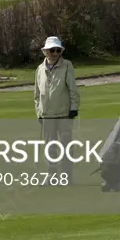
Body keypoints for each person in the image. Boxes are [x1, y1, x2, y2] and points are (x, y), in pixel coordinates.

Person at [34, 36, 81, 183]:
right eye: (52, 50)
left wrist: (74, 108)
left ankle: (66, 176)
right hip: (47, 114)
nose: (55, 53)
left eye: (58, 50)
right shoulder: (40, 69)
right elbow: (37, 93)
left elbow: (73, 89)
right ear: (45, 52)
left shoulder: (67, 65)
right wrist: (38, 112)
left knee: (66, 146)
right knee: (50, 147)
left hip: (64, 114)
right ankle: (51, 175)